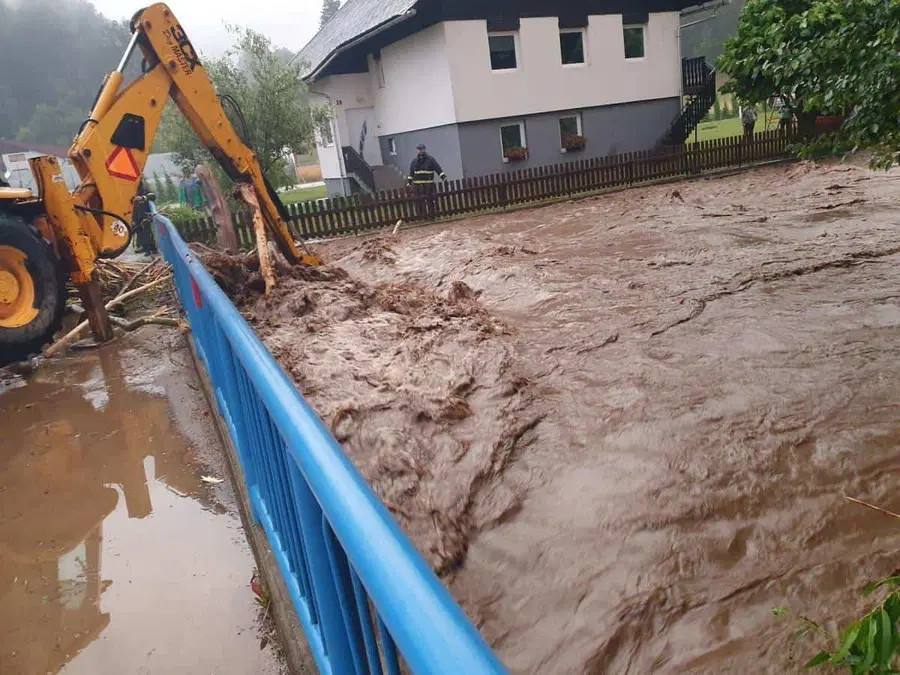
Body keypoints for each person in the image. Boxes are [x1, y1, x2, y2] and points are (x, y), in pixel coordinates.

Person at [407, 144, 448, 220]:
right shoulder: (414, 161)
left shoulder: (430, 159)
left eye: (421, 149)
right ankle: (422, 217)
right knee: (419, 201)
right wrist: (409, 182)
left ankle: (432, 216)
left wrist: (444, 178)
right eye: (419, 149)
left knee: (430, 201)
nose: (420, 151)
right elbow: (411, 173)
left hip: (428, 184)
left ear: (424, 150)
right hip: (418, 186)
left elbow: (438, 169)